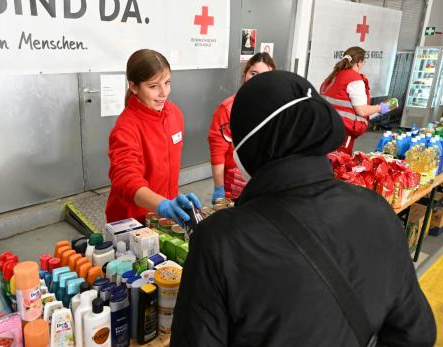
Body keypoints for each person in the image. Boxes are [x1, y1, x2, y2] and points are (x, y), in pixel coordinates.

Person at [171, 71, 436, 347]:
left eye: (233, 134)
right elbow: (416, 333)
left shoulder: (219, 241)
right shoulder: (376, 210)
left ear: (253, 142)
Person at [105, 49, 201, 225]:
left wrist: (172, 201)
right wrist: (161, 204)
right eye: (153, 86)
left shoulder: (175, 114)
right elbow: (125, 178)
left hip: (164, 215)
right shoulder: (126, 127)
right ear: (133, 87)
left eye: (167, 82)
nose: (163, 92)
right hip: (132, 220)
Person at [208, 53, 275, 203]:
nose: (257, 79)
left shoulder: (275, 107)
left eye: (264, 75)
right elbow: (218, 151)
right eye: (253, 73)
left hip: (264, 181)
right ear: (245, 74)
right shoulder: (228, 109)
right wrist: (219, 188)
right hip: (235, 184)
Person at [320, 46, 398, 153]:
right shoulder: (354, 80)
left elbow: (346, 108)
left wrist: (379, 110)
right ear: (359, 62)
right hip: (343, 131)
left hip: (326, 126)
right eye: (364, 61)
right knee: (338, 163)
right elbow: (362, 111)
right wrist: (383, 107)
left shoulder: (334, 76)